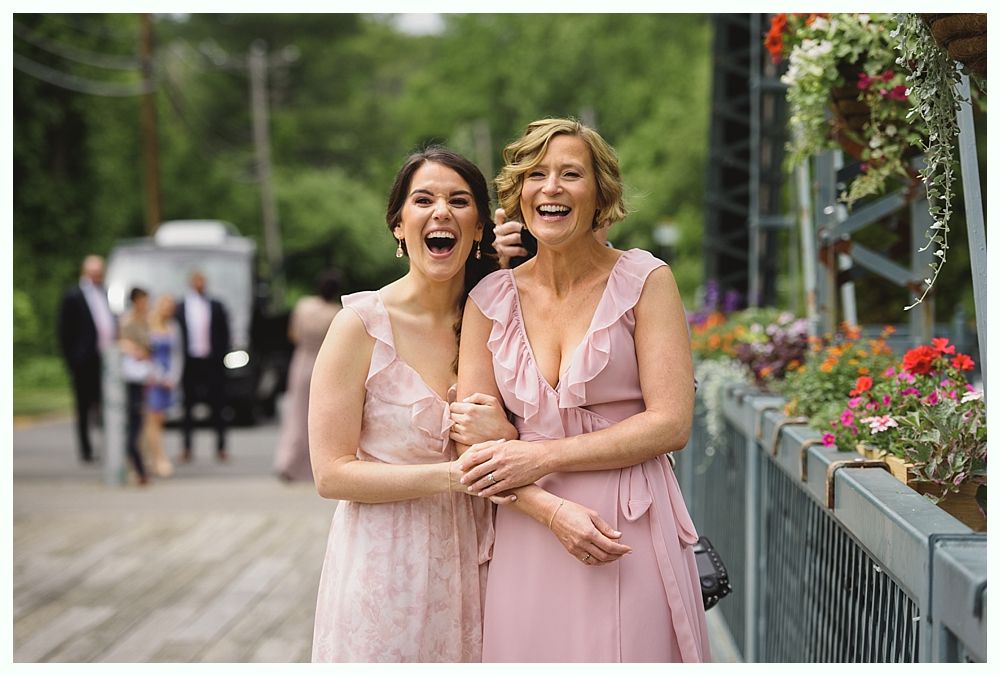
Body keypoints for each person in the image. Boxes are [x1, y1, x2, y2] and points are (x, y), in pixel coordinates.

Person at [455, 118, 711, 662]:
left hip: (626, 526)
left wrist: (540, 455)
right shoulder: (488, 299)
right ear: (519, 195)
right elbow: (470, 447)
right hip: (527, 525)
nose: (551, 187)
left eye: (571, 174)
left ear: (600, 195)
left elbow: (671, 422)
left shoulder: (646, 280)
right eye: (537, 175)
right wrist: (550, 511)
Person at [309, 147, 515, 662]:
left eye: (459, 201)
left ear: (478, 229)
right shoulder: (358, 327)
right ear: (399, 226)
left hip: (485, 562)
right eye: (423, 200)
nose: (441, 211)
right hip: (385, 568)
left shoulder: (503, 320)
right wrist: (454, 477)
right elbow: (331, 473)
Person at [273, 270, 343, 483]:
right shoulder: (336, 312)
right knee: (318, 416)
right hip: (323, 362)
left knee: (295, 413)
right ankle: (311, 465)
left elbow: (293, 334)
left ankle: (288, 461)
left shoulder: (303, 305)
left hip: (302, 360)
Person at [57, 254, 116, 463]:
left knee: (108, 404)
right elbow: (64, 331)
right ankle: (86, 449)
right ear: (86, 272)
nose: (97, 276)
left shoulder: (107, 293)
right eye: (94, 273)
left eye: (100, 273)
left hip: (106, 358)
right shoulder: (73, 296)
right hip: (84, 360)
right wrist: (72, 361)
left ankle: (110, 446)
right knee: (83, 406)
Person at [175, 270, 231, 463]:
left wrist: (221, 357)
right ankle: (187, 447)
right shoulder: (181, 307)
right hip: (190, 362)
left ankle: (221, 447)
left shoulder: (216, 305)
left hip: (211, 361)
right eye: (196, 281)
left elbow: (225, 334)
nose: (200, 284)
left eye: (202, 281)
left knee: (218, 406)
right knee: (188, 407)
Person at [144, 294, 183, 478]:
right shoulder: (149, 324)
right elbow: (146, 353)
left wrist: (173, 377)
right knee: (152, 418)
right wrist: (156, 374)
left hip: (167, 377)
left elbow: (177, 354)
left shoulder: (173, 327)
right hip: (151, 377)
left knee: (159, 420)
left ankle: (149, 457)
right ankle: (159, 458)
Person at [118, 287, 153, 486]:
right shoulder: (128, 322)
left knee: (145, 424)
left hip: (145, 375)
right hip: (133, 377)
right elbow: (121, 343)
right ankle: (136, 466)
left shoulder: (147, 320)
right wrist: (135, 350)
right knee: (135, 423)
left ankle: (143, 465)